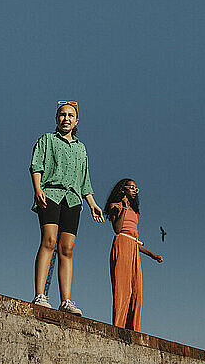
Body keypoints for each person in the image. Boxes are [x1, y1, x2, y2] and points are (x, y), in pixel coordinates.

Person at [30, 101, 104, 316]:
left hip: (73, 200)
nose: (66, 119)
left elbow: (84, 180)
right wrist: (37, 188)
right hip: (50, 194)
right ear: (56, 118)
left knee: (67, 249)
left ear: (77, 120)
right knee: (49, 241)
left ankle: (66, 300)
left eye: (70, 115)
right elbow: (36, 166)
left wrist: (92, 204)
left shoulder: (81, 148)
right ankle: (40, 294)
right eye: (62, 115)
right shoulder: (46, 140)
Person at [103, 179, 163, 331]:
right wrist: (122, 207)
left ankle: (133, 328)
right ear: (123, 189)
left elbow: (135, 240)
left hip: (133, 250)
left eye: (137, 188)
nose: (135, 190)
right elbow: (117, 230)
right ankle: (118, 326)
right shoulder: (115, 206)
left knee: (136, 291)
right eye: (132, 187)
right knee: (122, 289)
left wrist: (152, 255)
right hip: (121, 245)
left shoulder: (135, 212)